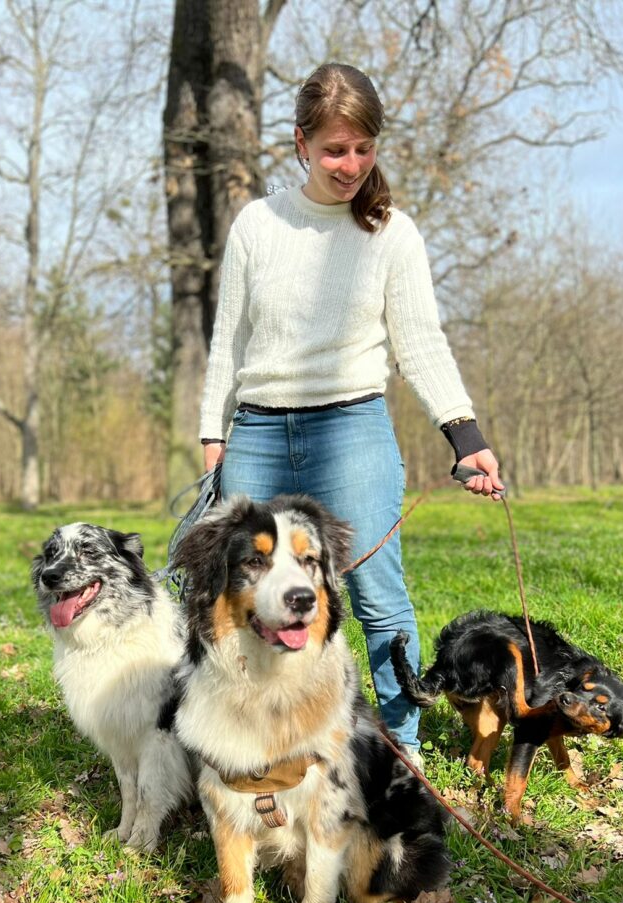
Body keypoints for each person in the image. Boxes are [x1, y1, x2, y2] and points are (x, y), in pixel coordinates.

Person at [198, 62, 504, 764]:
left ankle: (400, 751)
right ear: (300, 142)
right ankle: (264, 744)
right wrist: (213, 435)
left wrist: (465, 435)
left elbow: (420, 342)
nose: (351, 164)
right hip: (260, 430)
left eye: (364, 149)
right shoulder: (257, 225)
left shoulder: (391, 234)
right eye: (335, 149)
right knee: (247, 595)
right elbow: (228, 342)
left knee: (373, 593)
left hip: (352, 427)